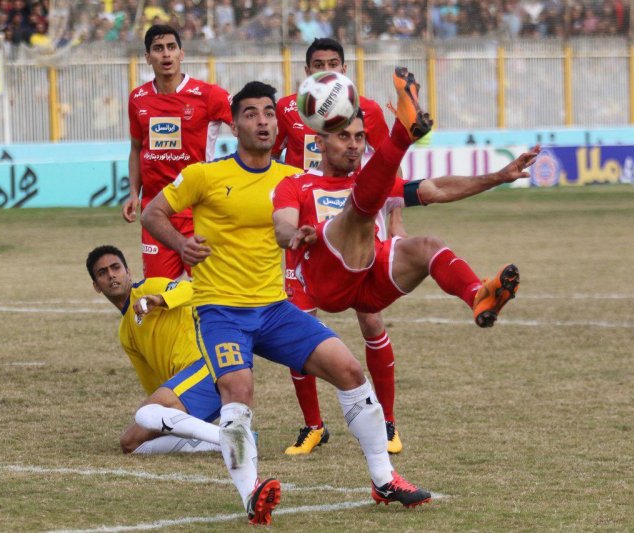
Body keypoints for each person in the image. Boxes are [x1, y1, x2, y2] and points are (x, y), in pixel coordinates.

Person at [142, 76, 432, 527]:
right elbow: (151, 211)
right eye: (250, 113)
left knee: (350, 371)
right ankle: (250, 494)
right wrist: (180, 244)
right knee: (238, 394)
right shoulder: (205, 175)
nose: (262, 121)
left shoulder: (294, 179)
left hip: (275, 309)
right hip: (221, 311)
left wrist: (315, 234)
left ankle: (384, 478)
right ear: (234, 124)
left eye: (268, 113)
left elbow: (338, 213)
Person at [272, 68, 540, 331]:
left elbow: (437, 189)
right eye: (344, 136)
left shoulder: (370, 184)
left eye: (360, 137)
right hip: (327, 283)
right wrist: (296, 234)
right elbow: (282, 227)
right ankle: (402, 133)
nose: (354, 145)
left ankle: (478, 297)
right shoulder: (296, 184)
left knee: (428, 245)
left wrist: (498, 176)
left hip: (369, 282)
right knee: (358, 212)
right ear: (319, 143)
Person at [272, 37, 405, 456]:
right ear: (306, 68)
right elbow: (275, 160)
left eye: (333, 63)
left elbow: (389, 169)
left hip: (357, 228)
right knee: (298, 329)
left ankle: (387, 422)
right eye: (317, 63)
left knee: (371, 322)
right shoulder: (290, 110)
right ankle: (313, 426)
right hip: (306, 233)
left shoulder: (368, 111)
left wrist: (396, 226)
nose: (325, 68)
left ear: (345, 68)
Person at [86, 244, 223, 455]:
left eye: (116, 268)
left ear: (128, 272)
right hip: (186, 392)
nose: (112, 275)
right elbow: (154, 385)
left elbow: (193, 290)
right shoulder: (125, 333)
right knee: (130, 442)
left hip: (209, 369)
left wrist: (160, 300)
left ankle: (231, 438)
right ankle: (219, 440)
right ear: (97, 285)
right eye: (102, 273)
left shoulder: (150, 288)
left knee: (146, 414)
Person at [122, 24, 232, 279]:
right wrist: (133, 194)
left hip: (198, 210)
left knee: (207, 295)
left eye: (171, 47)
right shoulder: (138, 98)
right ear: (148, 57)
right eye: (158, 49)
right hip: (156, 213)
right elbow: (136, 148)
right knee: (158, 292)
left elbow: (244, 123)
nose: (166, 55)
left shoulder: (208, 95)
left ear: (181, 53)